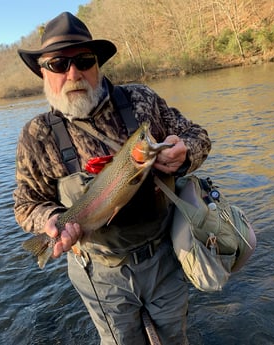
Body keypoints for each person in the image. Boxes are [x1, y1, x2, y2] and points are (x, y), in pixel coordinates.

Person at [14, 12, 211, 345]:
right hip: (98, 273)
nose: (73, 73)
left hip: (163, 256)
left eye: (83, 60)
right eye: (58, 64)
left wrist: (185, 152)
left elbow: (198, 136)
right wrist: (50, 220)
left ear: (97, 65)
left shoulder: (141, 100)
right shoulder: (37, 135)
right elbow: (25, 204)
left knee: (176, 337)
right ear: (43, 73)